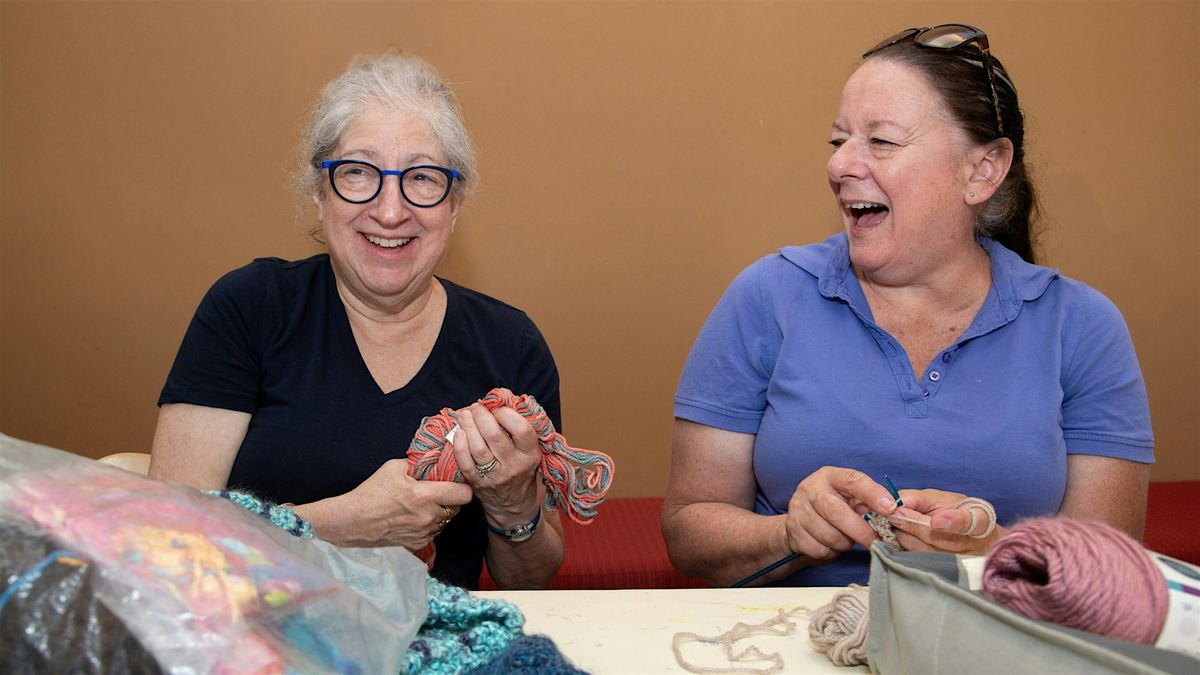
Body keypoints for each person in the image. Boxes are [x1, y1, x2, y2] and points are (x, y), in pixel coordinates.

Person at [661, 24, 1153, 587]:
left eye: (882, 141)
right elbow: (688, 531)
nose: (839, 166)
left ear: (982, 170)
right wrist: (790, 534)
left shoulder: (1082, 326)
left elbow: (1110, 569)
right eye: (839, 141)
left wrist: (996, 553)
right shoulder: (766, 296)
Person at [149, 53, 564, 590]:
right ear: (319, 192)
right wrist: (340, 526)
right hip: (260, 628)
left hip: (435, 635)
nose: (390, 211)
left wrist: (511, 505)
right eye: (358, 173)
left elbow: (529, 581)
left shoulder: (511, 344)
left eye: (422, 178)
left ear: (454, 204)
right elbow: (168, 542)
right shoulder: (249, 308)